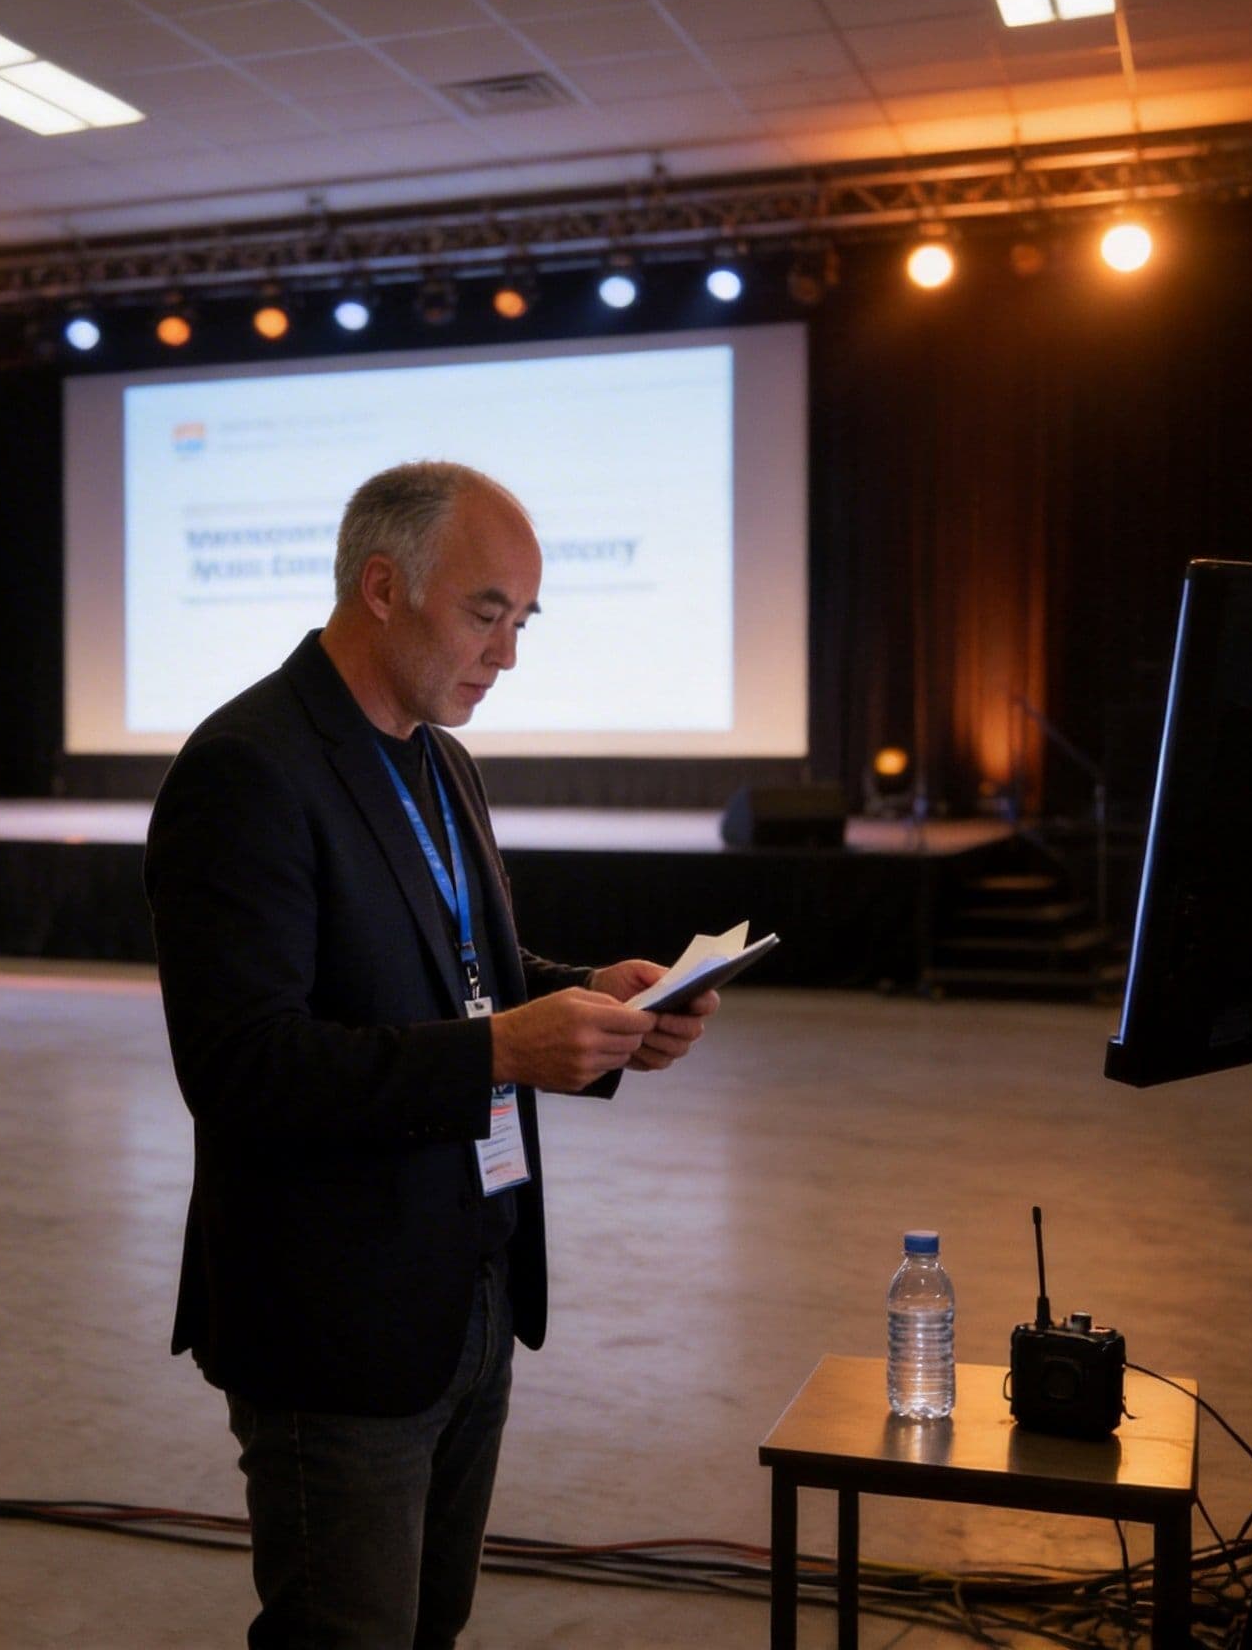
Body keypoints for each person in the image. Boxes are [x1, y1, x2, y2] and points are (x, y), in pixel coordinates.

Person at [144, 460, 721, 1649]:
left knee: (430, 1628)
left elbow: (462, 978)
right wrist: (504, 1048)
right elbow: (243, 1064)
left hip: (469, 1288)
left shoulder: (437, 753)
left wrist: (594, 1003)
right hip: (336, 1322)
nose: (508, 652)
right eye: (486, 612)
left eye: (524, 618)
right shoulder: (247, 765)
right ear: (382, 586)